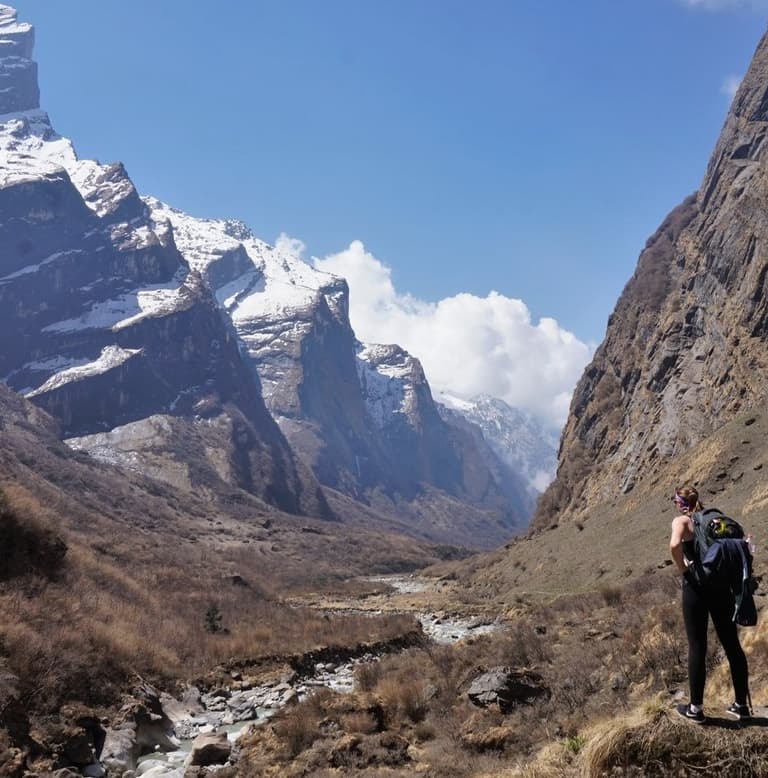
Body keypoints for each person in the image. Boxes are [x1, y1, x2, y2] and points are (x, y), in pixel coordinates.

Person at [669, 485, 751, 723]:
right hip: (722, 589)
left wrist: (684, 570)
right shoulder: (717, 519)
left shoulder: (682, 522)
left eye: (675, 501)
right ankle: (741, 706)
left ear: (680, 503)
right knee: (732, 644)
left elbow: (674, 546)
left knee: (697, 646)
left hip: (696, 588)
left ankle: (695, 709)